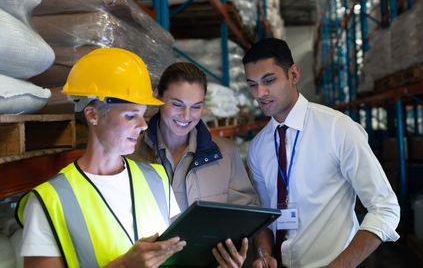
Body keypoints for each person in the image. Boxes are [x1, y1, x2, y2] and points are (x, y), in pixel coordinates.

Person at [15, 48, 245, 268]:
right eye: (130, 115)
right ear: (93, 114)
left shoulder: (156, 179)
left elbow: (177, 261)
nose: (143, 125)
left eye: (143, 114)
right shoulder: (49, 201)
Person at [243, 38, 400, 268]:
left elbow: (385, 208)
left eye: (269, 80)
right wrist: (264, 253)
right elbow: (265, 216)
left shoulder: (338, 128)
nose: (260, 93)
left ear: (294, 75)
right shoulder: (258, 147)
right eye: (252, 84)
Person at [130, 62, 259, 262]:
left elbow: (245, 221)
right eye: (177, 104)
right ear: (158, 97)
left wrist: (237, 258)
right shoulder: (132, 154)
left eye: (196, 107)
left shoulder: (226, 153)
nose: (186, 116)